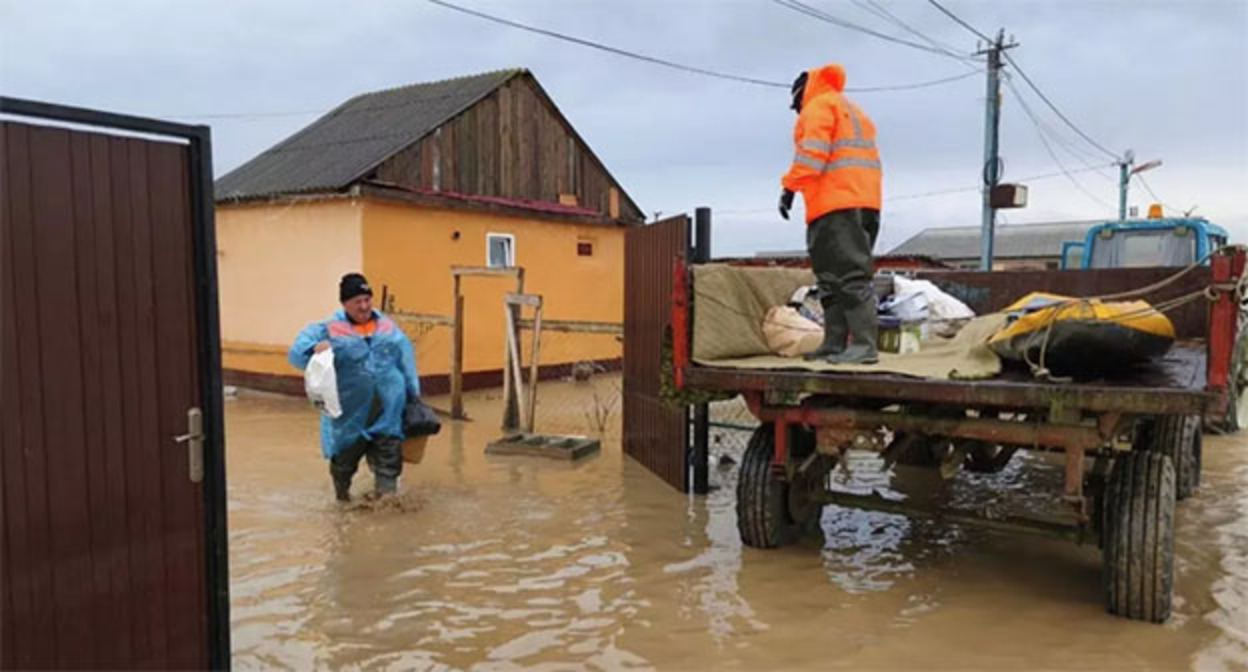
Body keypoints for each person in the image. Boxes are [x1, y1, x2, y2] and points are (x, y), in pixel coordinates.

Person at [778, 63, 883, 364]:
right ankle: (834, 344)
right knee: (832, 278)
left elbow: (812, 156)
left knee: (848, 276)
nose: (796, 111)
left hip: (837, 206)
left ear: (802, 94)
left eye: (795, 105)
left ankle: (863, 346)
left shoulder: (818, 108)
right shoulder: (852, 110)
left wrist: (789, 188)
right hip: (862, 204)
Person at [288, 273, 421, 502]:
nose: (364, 306)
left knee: (389, 472)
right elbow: (296, 354)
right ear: (344, 303)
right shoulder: (327, 329)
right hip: (348, 418)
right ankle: (342, 504)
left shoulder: (388, 328)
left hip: (388, 416)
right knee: (343, 468)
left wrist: (414, 397)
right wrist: (314, 349)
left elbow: (406, 362)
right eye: (357, 301)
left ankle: (385, 514)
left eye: (367, 299)